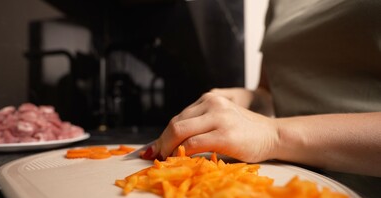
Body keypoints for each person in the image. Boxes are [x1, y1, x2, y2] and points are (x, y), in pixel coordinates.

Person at [142, 0, 381, 177]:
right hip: (291, 175)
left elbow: (270, 132)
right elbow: (269, 93)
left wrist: (273, 134)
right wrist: (241, 99)